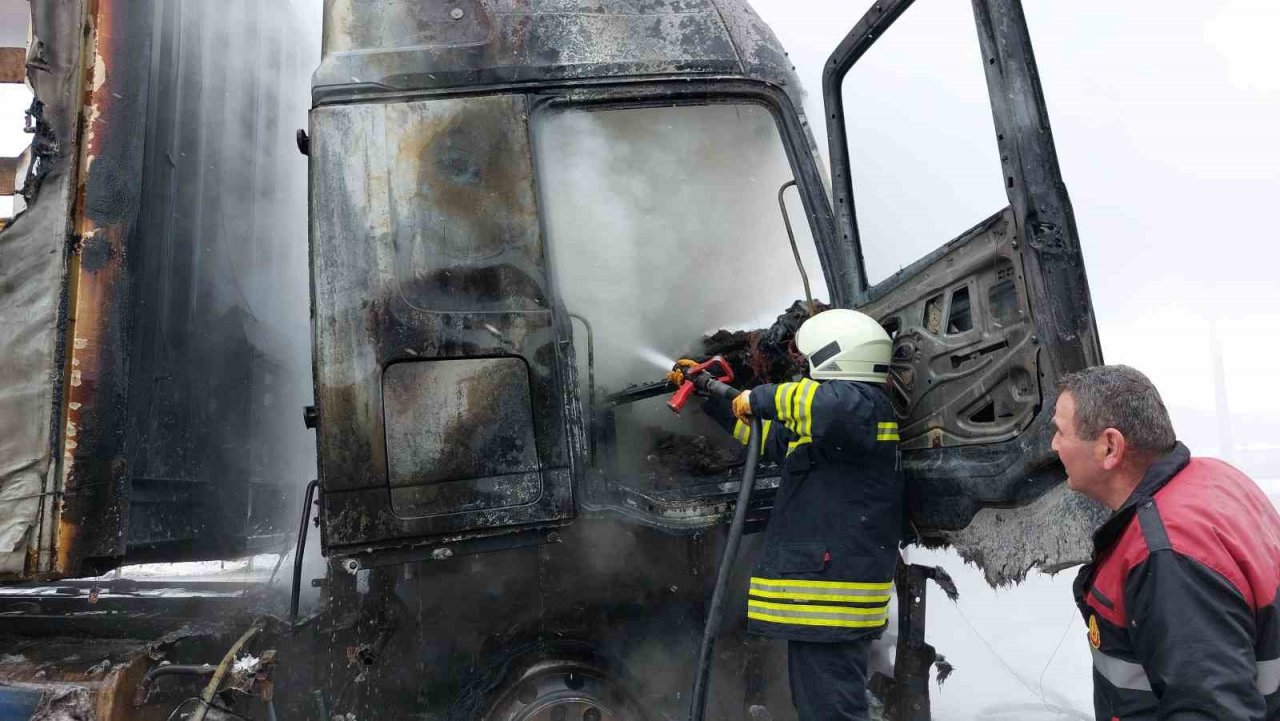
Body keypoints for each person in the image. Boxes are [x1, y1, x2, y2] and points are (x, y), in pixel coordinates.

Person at [689, 308, 904, 720]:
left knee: (831, 713)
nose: (801, 373)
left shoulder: (860, 406)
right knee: (819, 708)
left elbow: (819, 404)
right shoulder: (837, 423)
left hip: (831, 601)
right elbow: (768, 440)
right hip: (822, 602)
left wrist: (759, 396)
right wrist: (715, 399)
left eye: (808, 363)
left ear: (836, 356)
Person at [1053, 365, 1280, 720]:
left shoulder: (1165, 557)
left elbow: (1213, 711)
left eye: (1060, 432)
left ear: (1110, 446)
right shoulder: (1213, 476)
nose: (1054, 446)